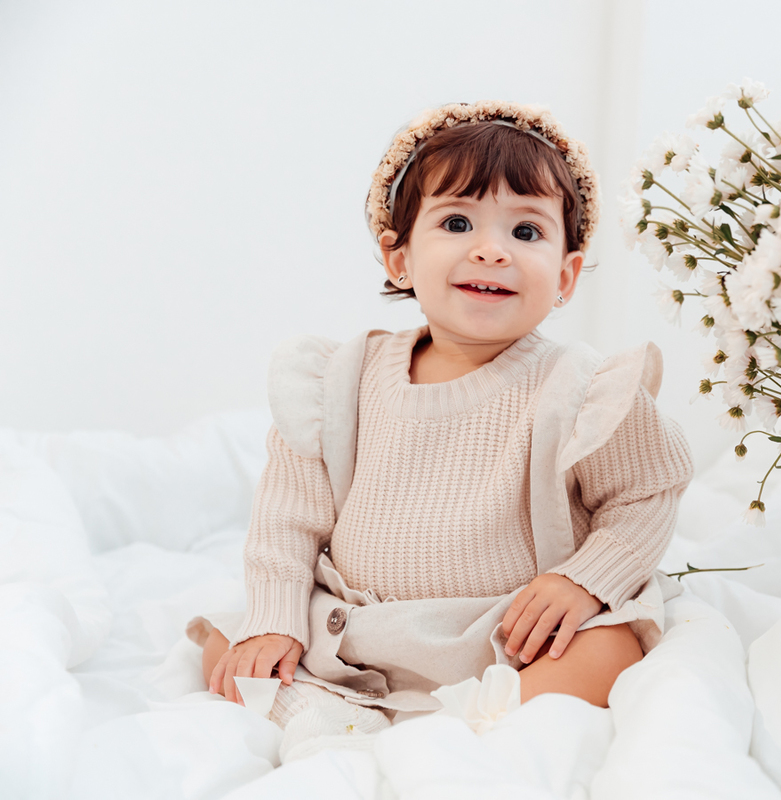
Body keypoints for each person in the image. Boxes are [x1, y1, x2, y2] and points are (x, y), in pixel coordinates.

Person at [186, 100, 694, 762]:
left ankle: (478, 726)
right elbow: (286, 523)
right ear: (397, 258)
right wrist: (277, 622)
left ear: (566, 276)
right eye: (457, 223)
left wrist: (584, 580)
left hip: (509, 630)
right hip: (355, 625)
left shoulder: (582, 389)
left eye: (527, 232)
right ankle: (325, 715)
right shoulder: (338, 381)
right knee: (229, 646)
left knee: (614, 645)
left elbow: (647, 491)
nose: (492, 250)